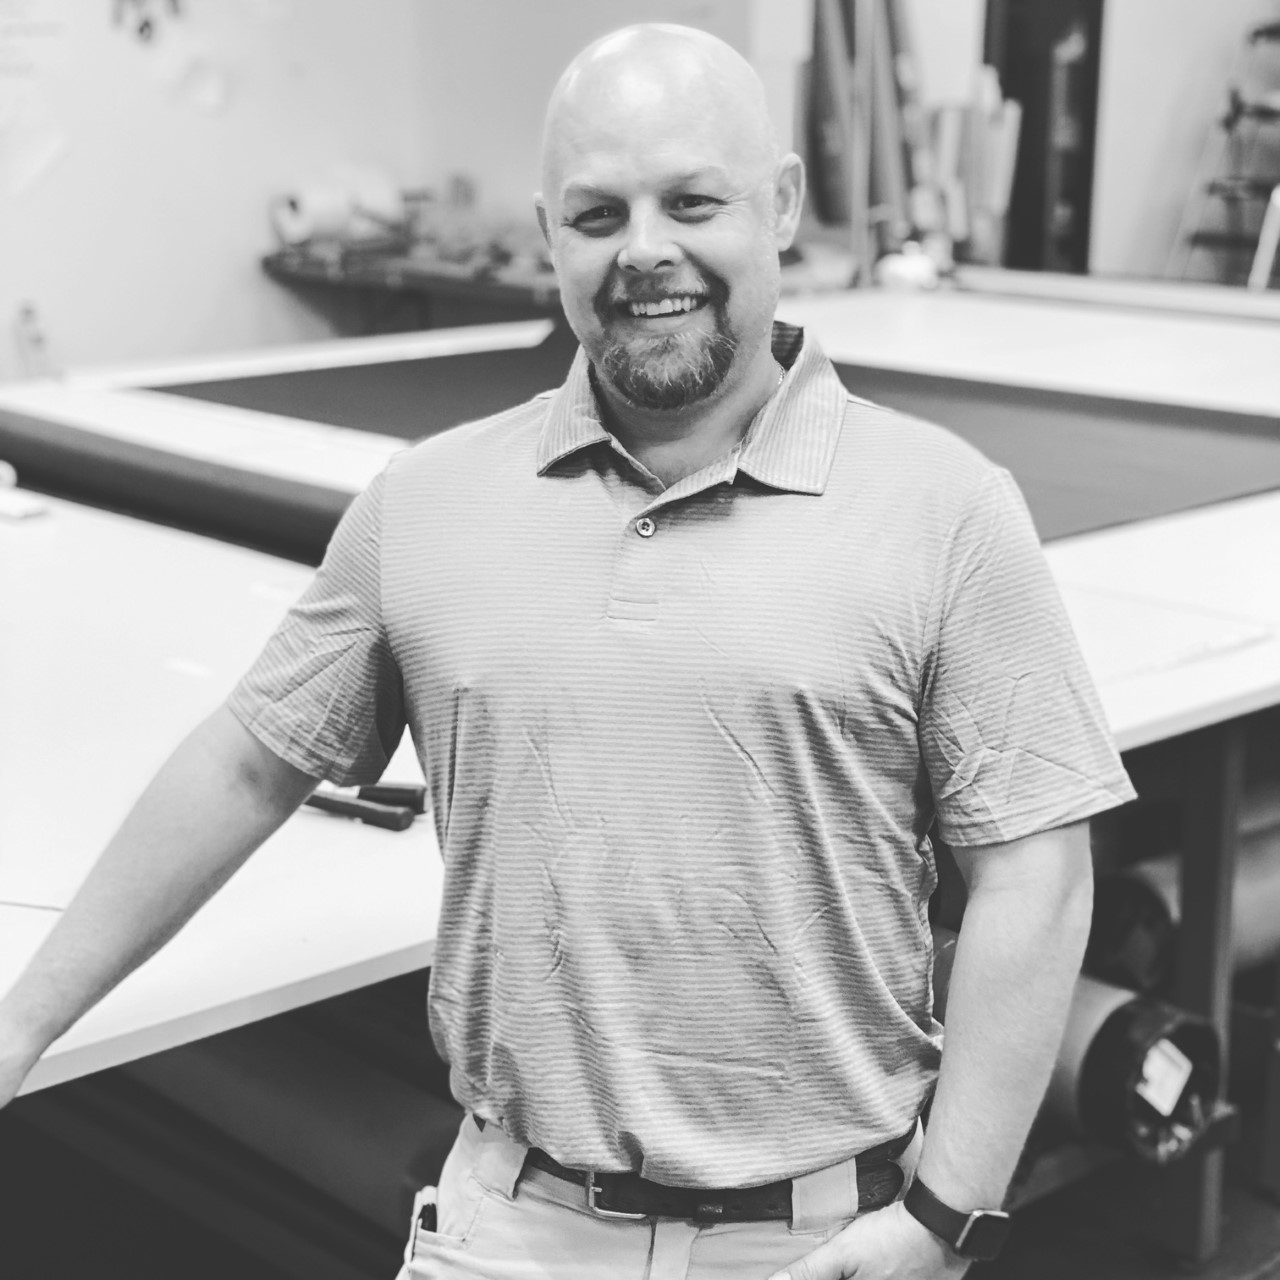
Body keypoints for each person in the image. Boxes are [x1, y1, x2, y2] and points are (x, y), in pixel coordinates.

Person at [0, 23, 1135, 1280]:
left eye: (691, 201)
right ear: (549, 235)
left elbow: (1035, 865)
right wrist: (16, 1027)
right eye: (597, 213)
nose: (644, 249)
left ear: (782, 205)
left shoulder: (942, 506)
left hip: (820, 1241)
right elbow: (246, 763)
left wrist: (942, 1213)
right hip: (508, 1228)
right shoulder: (424, 503)